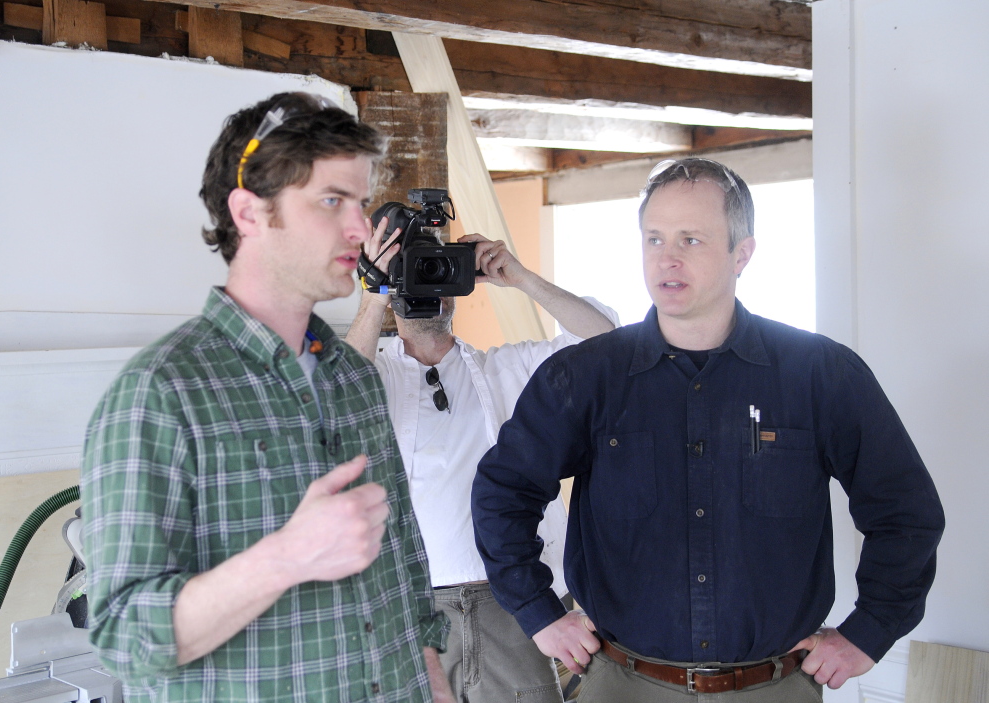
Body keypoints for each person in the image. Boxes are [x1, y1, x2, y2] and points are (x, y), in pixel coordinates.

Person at [471, 158, 945, 701]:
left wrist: (870, 631)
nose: (667, 258)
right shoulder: (584, 377)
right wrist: (539, 613)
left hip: (775, 685)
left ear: (742, 254)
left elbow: (905, 511)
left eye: (692, 240)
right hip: (623, 684)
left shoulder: (820, 374)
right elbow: (503, 491)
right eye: (654, 239)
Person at [79, 92, 453, 703]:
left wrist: (432, 676)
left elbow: (404, 560)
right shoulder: (159, 394)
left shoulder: (354, 378)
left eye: (359, 202)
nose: (361, 228)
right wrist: (286, 556)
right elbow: (123, 641)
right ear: (250, 213)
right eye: (332, 201)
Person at [344, 222, 618, 702]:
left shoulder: (505, 370)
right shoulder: (371, 374)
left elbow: (606, 343)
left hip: (514, 607)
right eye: (413, 271)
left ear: (457, 285)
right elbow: (332, 399)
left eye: (436, 271)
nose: (426, 285)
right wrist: (374, 295)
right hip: (406, 610)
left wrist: (521, 277)